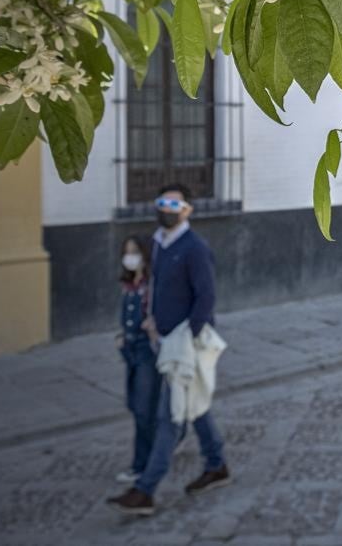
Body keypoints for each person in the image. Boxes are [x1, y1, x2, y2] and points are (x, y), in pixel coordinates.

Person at [108, 184, 229, 516]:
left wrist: (188, 337)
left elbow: (205, 297)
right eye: (162, 203)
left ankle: (145, 490)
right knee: (196, 408)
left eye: (174, 205)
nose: (167, 209)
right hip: (162, 339)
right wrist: (151, 321)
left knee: (169, 416)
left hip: (184, 343)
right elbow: (157, 288)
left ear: (187, 210)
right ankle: (217, 464)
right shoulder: (159, 244)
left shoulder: (194, 248)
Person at [114, 235, 161, 485]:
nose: (129, 257)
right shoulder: (129, 284)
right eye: (126, 252)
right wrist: (122, 336)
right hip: (130, 348)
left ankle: (141, 465)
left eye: (135, 252)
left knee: (143, 409)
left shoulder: (152, 286)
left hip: (147, 350)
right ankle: (173, 432)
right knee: (135, 404)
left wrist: (154, 325)